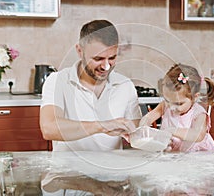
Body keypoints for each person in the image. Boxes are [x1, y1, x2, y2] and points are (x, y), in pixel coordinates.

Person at [40, 19, 142, 151]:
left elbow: (136, 136)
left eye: (111, 58)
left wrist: (156, 143)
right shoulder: (57, 81)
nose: (106, 66)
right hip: (68, 170)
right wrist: (102, 126)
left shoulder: (125, 85)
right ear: (79, 50)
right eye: (98, 59)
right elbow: (49, 128)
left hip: (112, 169)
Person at [140, 63, 214, 152]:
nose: (172, 107)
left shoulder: (199, 113)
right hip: (177, 155)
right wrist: (143, 127)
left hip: (197, 155)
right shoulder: (165, 106)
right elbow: (149, 117)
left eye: (178, 104)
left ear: (195, 97)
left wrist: (172, 131)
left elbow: (198, 135)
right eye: (168, 101)